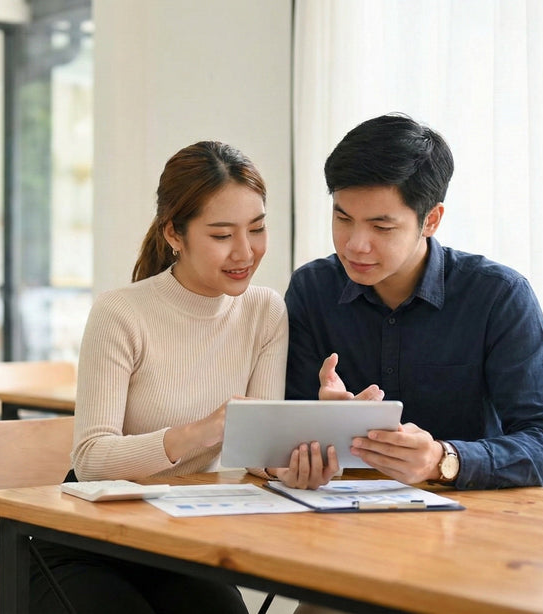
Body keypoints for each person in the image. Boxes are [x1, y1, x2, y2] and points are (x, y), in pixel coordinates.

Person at [30, 141, 325, 614]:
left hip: (181, 536)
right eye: (222, 234)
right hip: (88, 538)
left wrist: (300, 448)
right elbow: (90, 460)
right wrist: (204, 431)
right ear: (174, 233)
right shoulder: (120, 313)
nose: (245, 252)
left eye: (257, 229)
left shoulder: (265, 311)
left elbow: (259, 457)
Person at [285, 113, 543, 490]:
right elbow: (282, 442)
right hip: (342, 521)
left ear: (431, 220)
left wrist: (443, 459)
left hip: (471, 528)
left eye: (381, 227)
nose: (355, 244)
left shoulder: (498, 296)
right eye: (342, 218)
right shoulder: (312, 290)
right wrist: (324, 431)